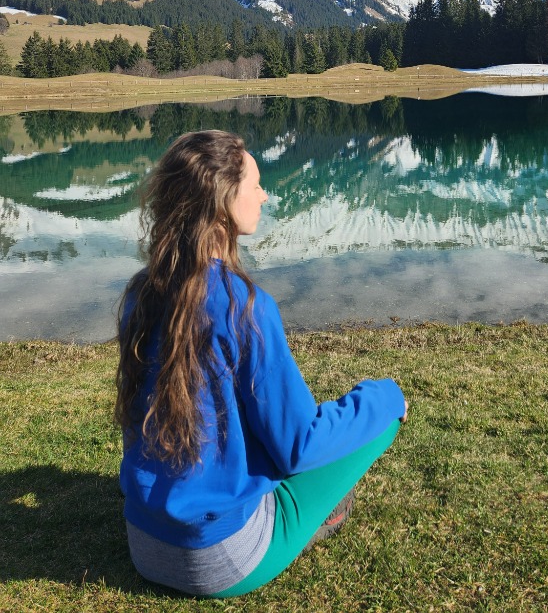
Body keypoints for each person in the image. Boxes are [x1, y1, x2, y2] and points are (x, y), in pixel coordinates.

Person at [115, 130, 407, 596]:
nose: (264, 195)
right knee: (379, 423)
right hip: (221, 558)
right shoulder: (244, 308)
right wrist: (384, 396)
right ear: (224, 203)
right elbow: (299, 445)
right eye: (255, 185)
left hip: (143, 544)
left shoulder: (141, 294)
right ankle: (312, 514)